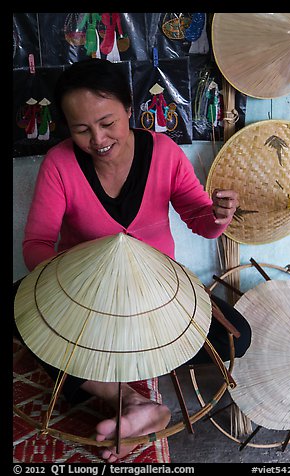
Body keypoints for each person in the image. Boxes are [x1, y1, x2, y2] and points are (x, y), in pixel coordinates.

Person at [13, 58, 251, 462]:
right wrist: (74, 275)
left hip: (157, 290)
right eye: (82, 129)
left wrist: (217, 217)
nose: (98, 139)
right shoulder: (60, 163)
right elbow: (36, 243)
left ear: (128, 108)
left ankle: (136, 357)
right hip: (85, 294)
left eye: (107, 123)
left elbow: (199, 219)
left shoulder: (164, 152)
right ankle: (129, 399)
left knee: (237, 337)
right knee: (19, 312)